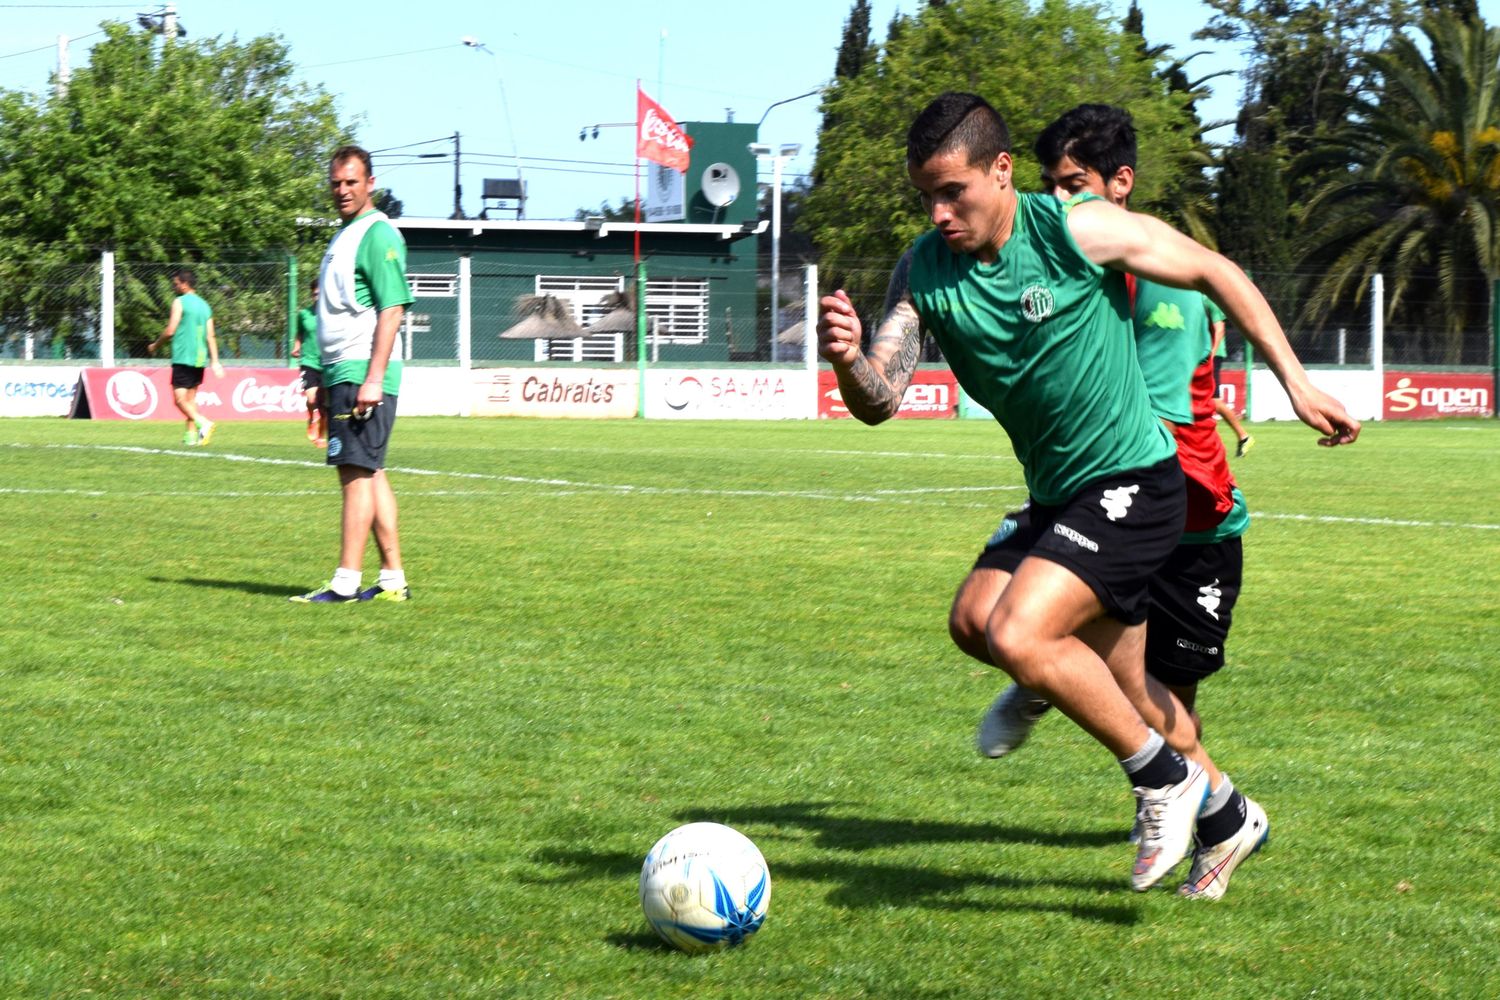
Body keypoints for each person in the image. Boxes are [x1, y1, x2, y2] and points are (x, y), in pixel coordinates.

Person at [816, 93, 1358, 894]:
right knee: (994, 629)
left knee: (1022, 635)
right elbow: (881, 399)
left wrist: (1297, 383)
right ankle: (1224, 813)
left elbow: (1215, 268)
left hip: (1136, 483)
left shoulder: (1073, 229)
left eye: (952, 191)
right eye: (924, 195)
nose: (937, 212)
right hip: (1060, 498)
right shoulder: (922, 269)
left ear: (1001, 173)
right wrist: (849, 361)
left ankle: (1161, 780)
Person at [978, 103, 1268, 899]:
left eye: (1075, 185)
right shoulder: (1073, 254)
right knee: (1010, 629)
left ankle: (1216, 813)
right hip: (1110, 496)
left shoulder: (1154, 275)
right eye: (1052, 186)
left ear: (1120, 184)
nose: (1060, 201)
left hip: (1191, 514)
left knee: (1155, 699)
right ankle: (1210, 809)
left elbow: (1173, 402)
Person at [291, 146, 414, 604]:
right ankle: (392, 580)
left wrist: (373, 378)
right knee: (371, 471)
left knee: (355, 472)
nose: (343, 190)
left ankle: (345, 582)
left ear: (370, 183)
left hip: (364, 369)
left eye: (351, 182)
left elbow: (393, 308)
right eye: (336, 183)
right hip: (344, 368)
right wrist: (322, 375)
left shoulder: (377, 234)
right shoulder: (344, 235)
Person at [147, 268, 223, 446]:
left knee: (179, 400)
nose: (174, 287)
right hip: (200, 358)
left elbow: (171, 330)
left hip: (183, 356)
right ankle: (191, 437)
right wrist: (215, 361)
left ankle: (203, 422)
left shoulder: (179, 302)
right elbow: (210, 335)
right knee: (190, 400)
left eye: (176, 284)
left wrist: (155, 345)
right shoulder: (205, 306)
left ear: (185, 283)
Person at [291, 276, 327, 447]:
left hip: (328, 362)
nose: (317, 297)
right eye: (314, 294)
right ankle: (312, 419)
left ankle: (321, 436)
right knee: (312, 399)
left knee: (325, 404)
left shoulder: (333, 315)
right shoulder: (304, 314)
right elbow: (299, 333)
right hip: (309, 361)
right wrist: (296, 346)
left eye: (320, 294)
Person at [1212, 324, 1255, 457]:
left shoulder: (1210, 302)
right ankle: (1243, 436)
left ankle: (1243, 436)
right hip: (1201, 354)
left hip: (1210, 355)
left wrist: (1210, 355)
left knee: (1214, 400)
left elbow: (1219, 328)